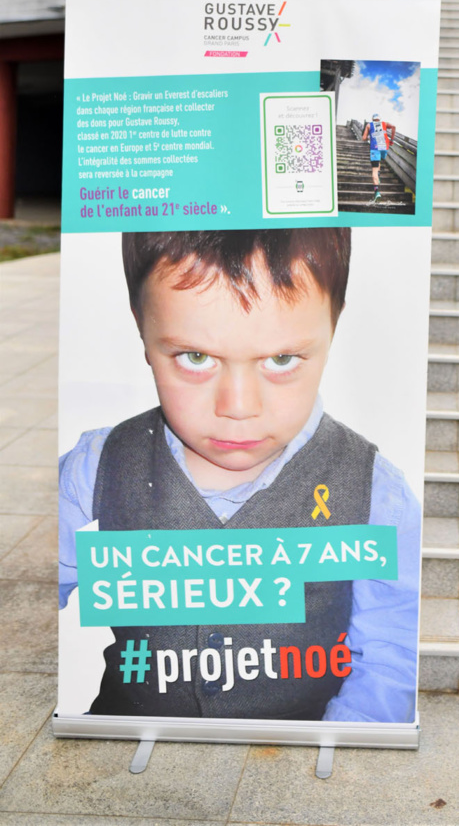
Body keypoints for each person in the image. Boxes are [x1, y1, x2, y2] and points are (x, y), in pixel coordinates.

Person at [59, 227, 420, 723]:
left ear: (332, 332)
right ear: (142, 330)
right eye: (196, 357)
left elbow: (391, 654)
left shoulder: (376, 494)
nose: (238, 408)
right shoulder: (94, 469)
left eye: (281, 359)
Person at [361, 113, 396, 203]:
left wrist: (370, 136)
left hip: (375, 148)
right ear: (379, 119)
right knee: (379, 160)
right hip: (384, 147)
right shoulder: (384, 124)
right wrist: (391, 140)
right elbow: (394, 127)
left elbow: (363, 138)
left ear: (372, 119)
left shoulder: (369, 125)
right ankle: (379, 174)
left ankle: (376, 191)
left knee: (374, 170)